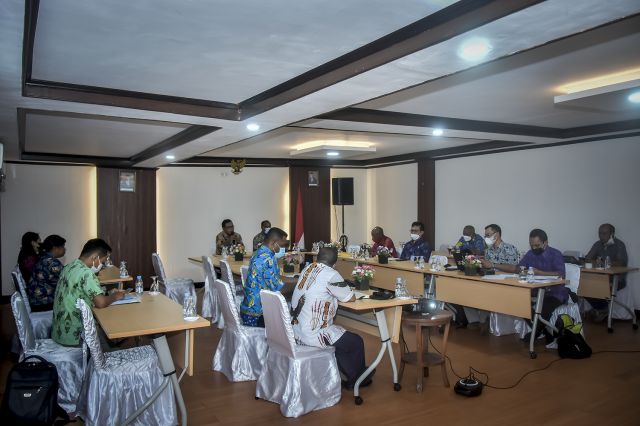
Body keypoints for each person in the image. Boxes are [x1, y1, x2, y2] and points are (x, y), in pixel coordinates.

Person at [291, 247, 374, 390]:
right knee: (356, 341)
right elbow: (350, 297)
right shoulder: (331, 274)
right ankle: (357, 379)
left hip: (296, 329)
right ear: (335, 263)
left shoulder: (308, 268)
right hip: (313, 333)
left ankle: (352, 374)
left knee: (343, 339)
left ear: (317, 257)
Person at [52, 238, 125, 346]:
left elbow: (80, 291)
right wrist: (115, 296)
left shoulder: (69, 266)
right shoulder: (86, 273)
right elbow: (100, 303)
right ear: (95, 257)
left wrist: (106, 294)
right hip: (75, 337)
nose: (102, 266)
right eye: (103, 262)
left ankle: (108, 344)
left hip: (59, 332)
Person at [500, 229, 568, 339]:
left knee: (542, 310)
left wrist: (540, 273)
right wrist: (520, 270)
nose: (534, 248)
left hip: (554, 293)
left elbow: (561, 274)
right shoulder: (530, 254)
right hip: (535, 291)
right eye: (532, 246)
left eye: (537, 245)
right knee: (519, 304)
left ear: (545, 242)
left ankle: (536, 332)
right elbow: (519, 267)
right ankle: (543, 331)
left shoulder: (555, 254)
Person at [240, 228, 295, 327]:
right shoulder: (267, 258)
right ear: (274, 243)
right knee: (289, 325)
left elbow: (276, 277)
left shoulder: (260, 252)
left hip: (248, 309)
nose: (284, 249)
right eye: (282, 245)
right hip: (256, 315)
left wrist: (295, 279)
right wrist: (297, 285)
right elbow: (279, 289)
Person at [584, 223, 628, 321]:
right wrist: (598, 262)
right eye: (599, 233)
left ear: (612, 234)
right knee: (581, 287)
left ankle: (601, 310)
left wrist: (602, 262)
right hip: (599, 277)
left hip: (616, 279)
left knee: (597, 286)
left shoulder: (619, 245)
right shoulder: (597, 244)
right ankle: (602, 308)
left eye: (604, 233)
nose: (601, 236)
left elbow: (621, 263)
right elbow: (587, 258)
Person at [27, 234, 67, 312]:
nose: (65, 249)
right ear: (55, 248)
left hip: (36, 301)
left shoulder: (43, 257)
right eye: (63, 246)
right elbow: (68, 278)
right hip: (43, 303)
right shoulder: (52, 263)